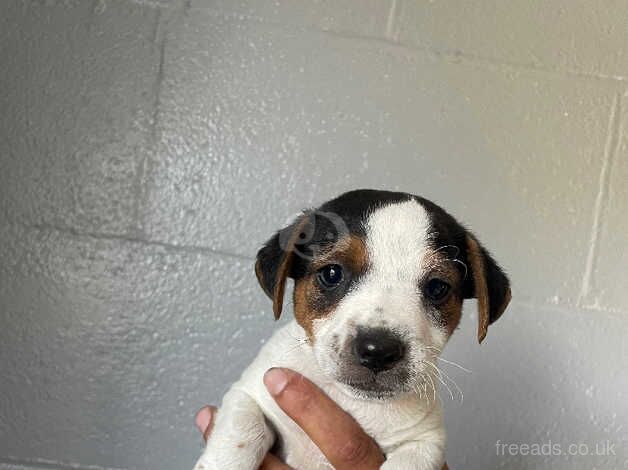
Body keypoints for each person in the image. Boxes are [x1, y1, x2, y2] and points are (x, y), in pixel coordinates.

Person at [194, 368, 448, 470]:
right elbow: (247, 396)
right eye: (332, 274)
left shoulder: (419, 398)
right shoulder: (286, 355)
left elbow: (425, 443)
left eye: (435, 289)